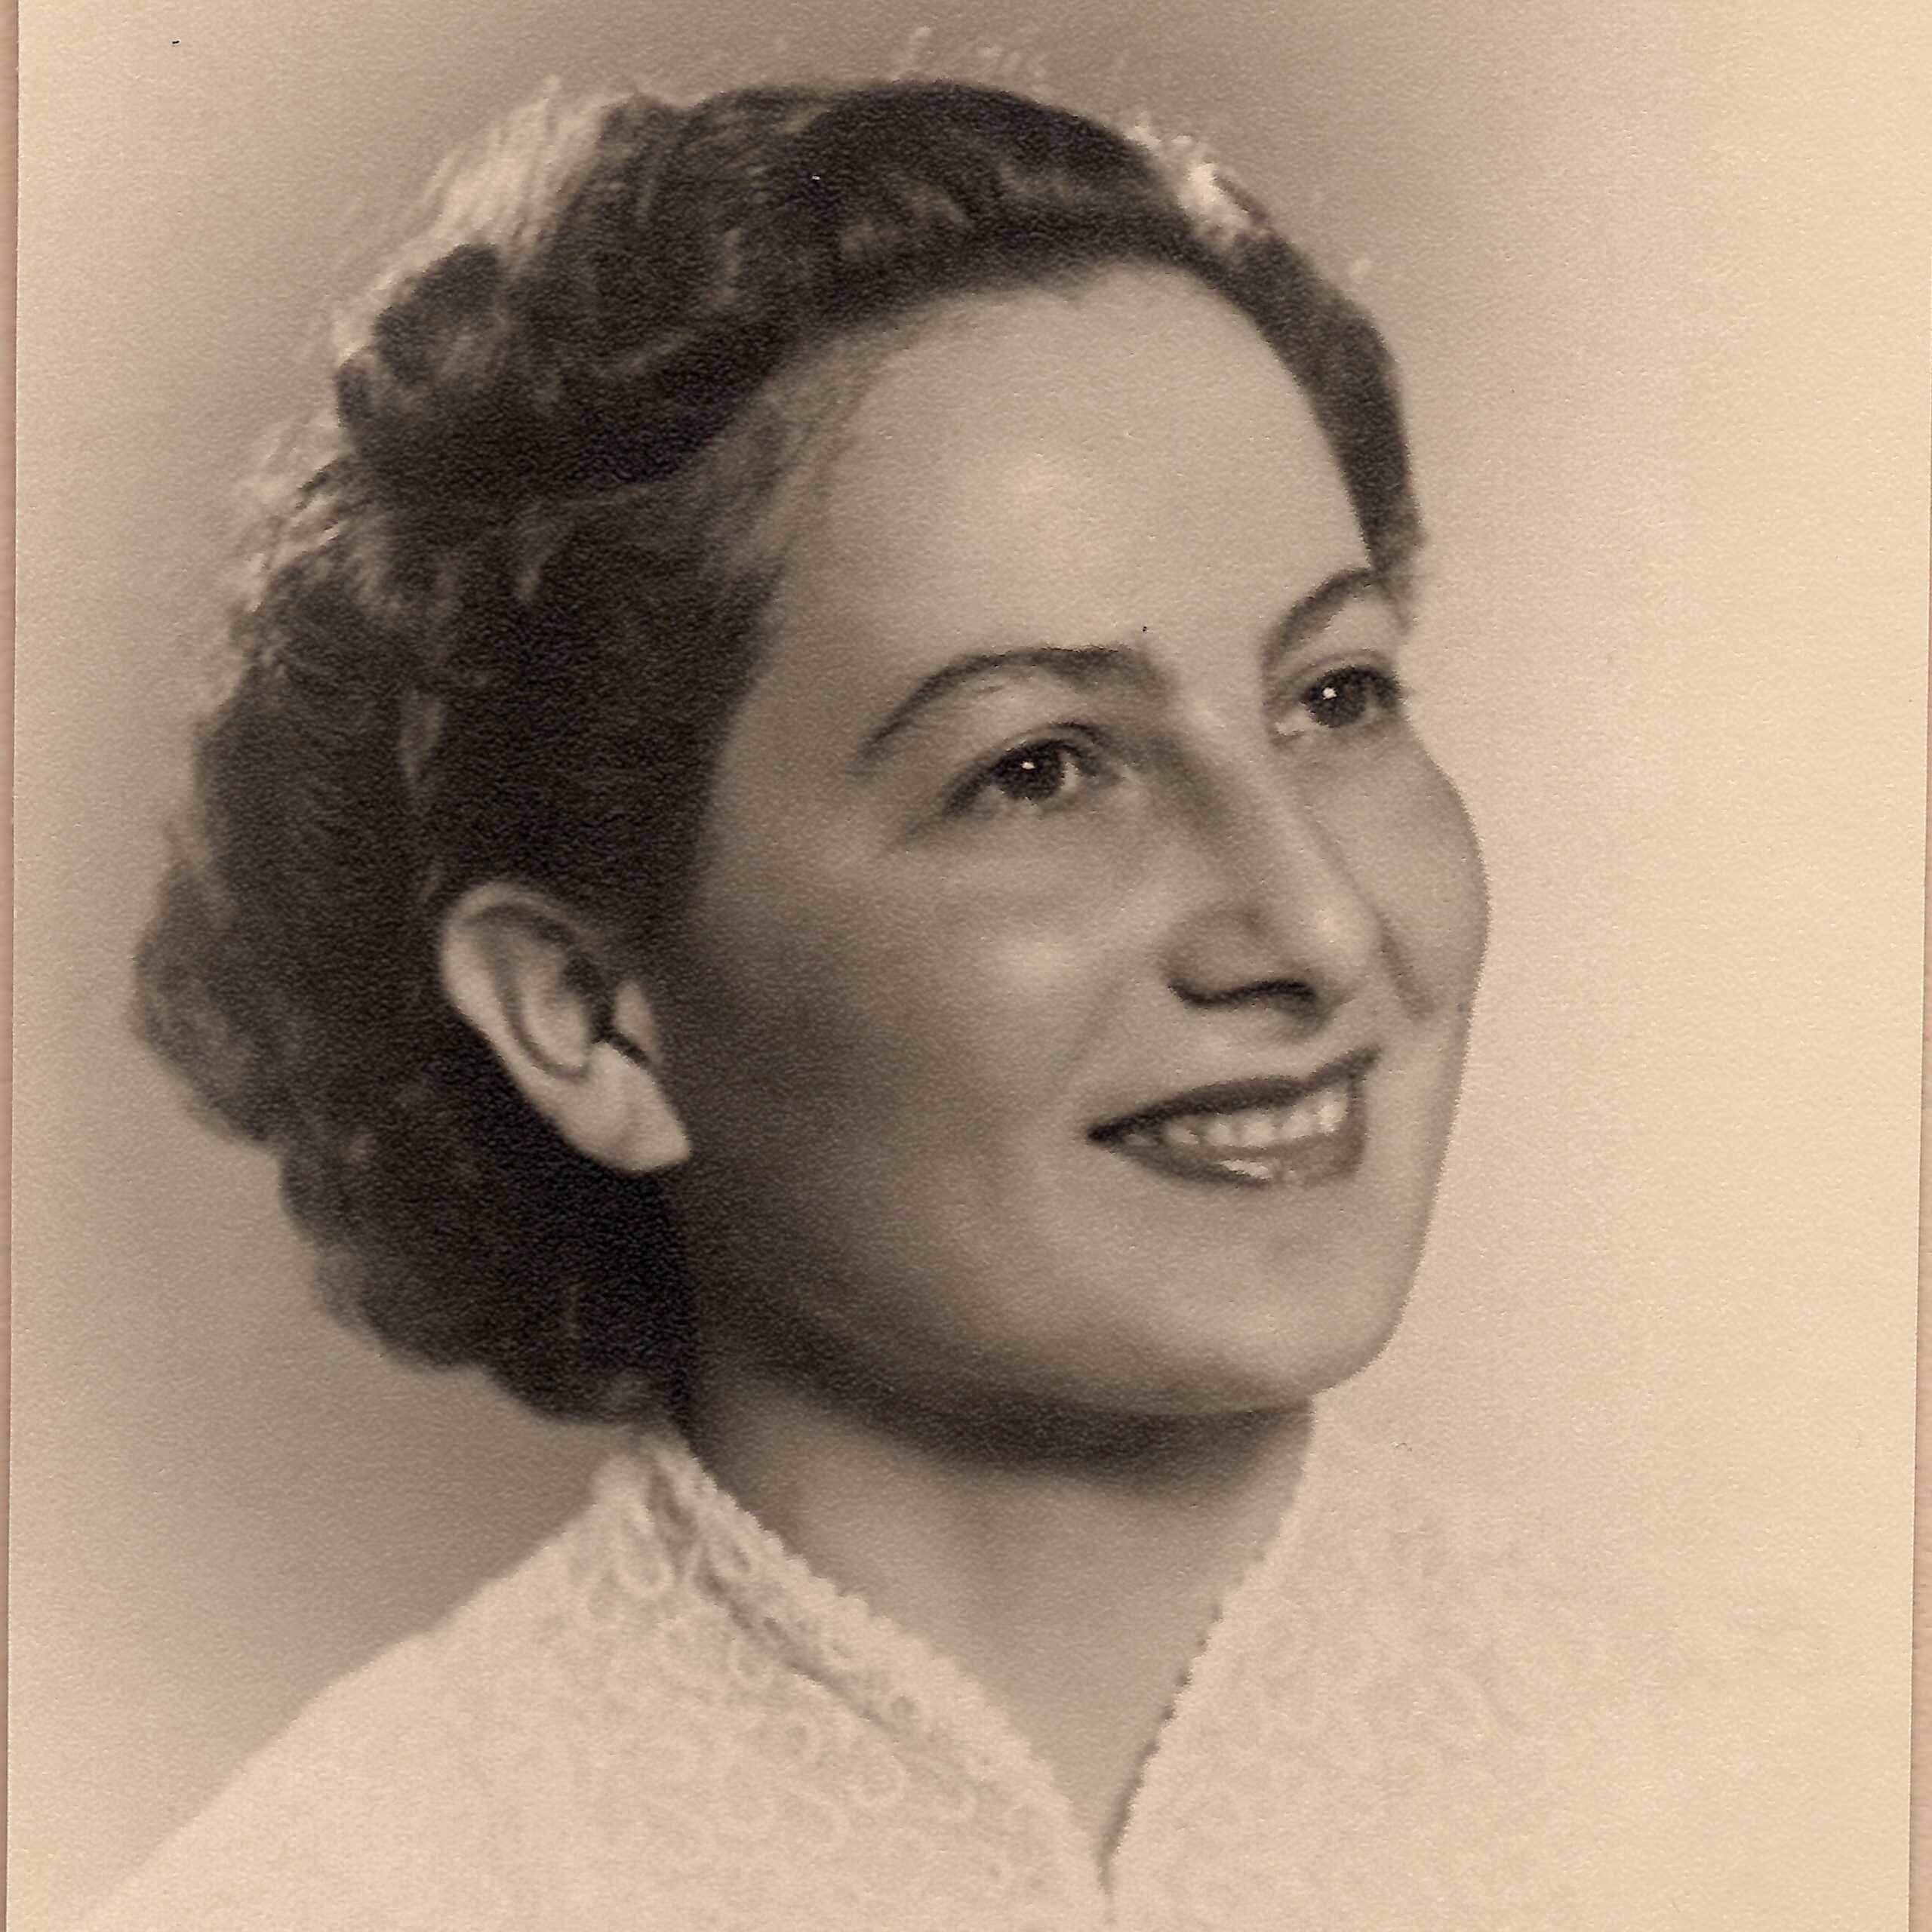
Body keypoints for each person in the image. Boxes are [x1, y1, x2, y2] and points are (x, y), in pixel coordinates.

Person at [87, 72, 1788, 1932]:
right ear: (587, 1014)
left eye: (1334, 696)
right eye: (1037, 768)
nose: (1313, 922)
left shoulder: (1791, 1798)